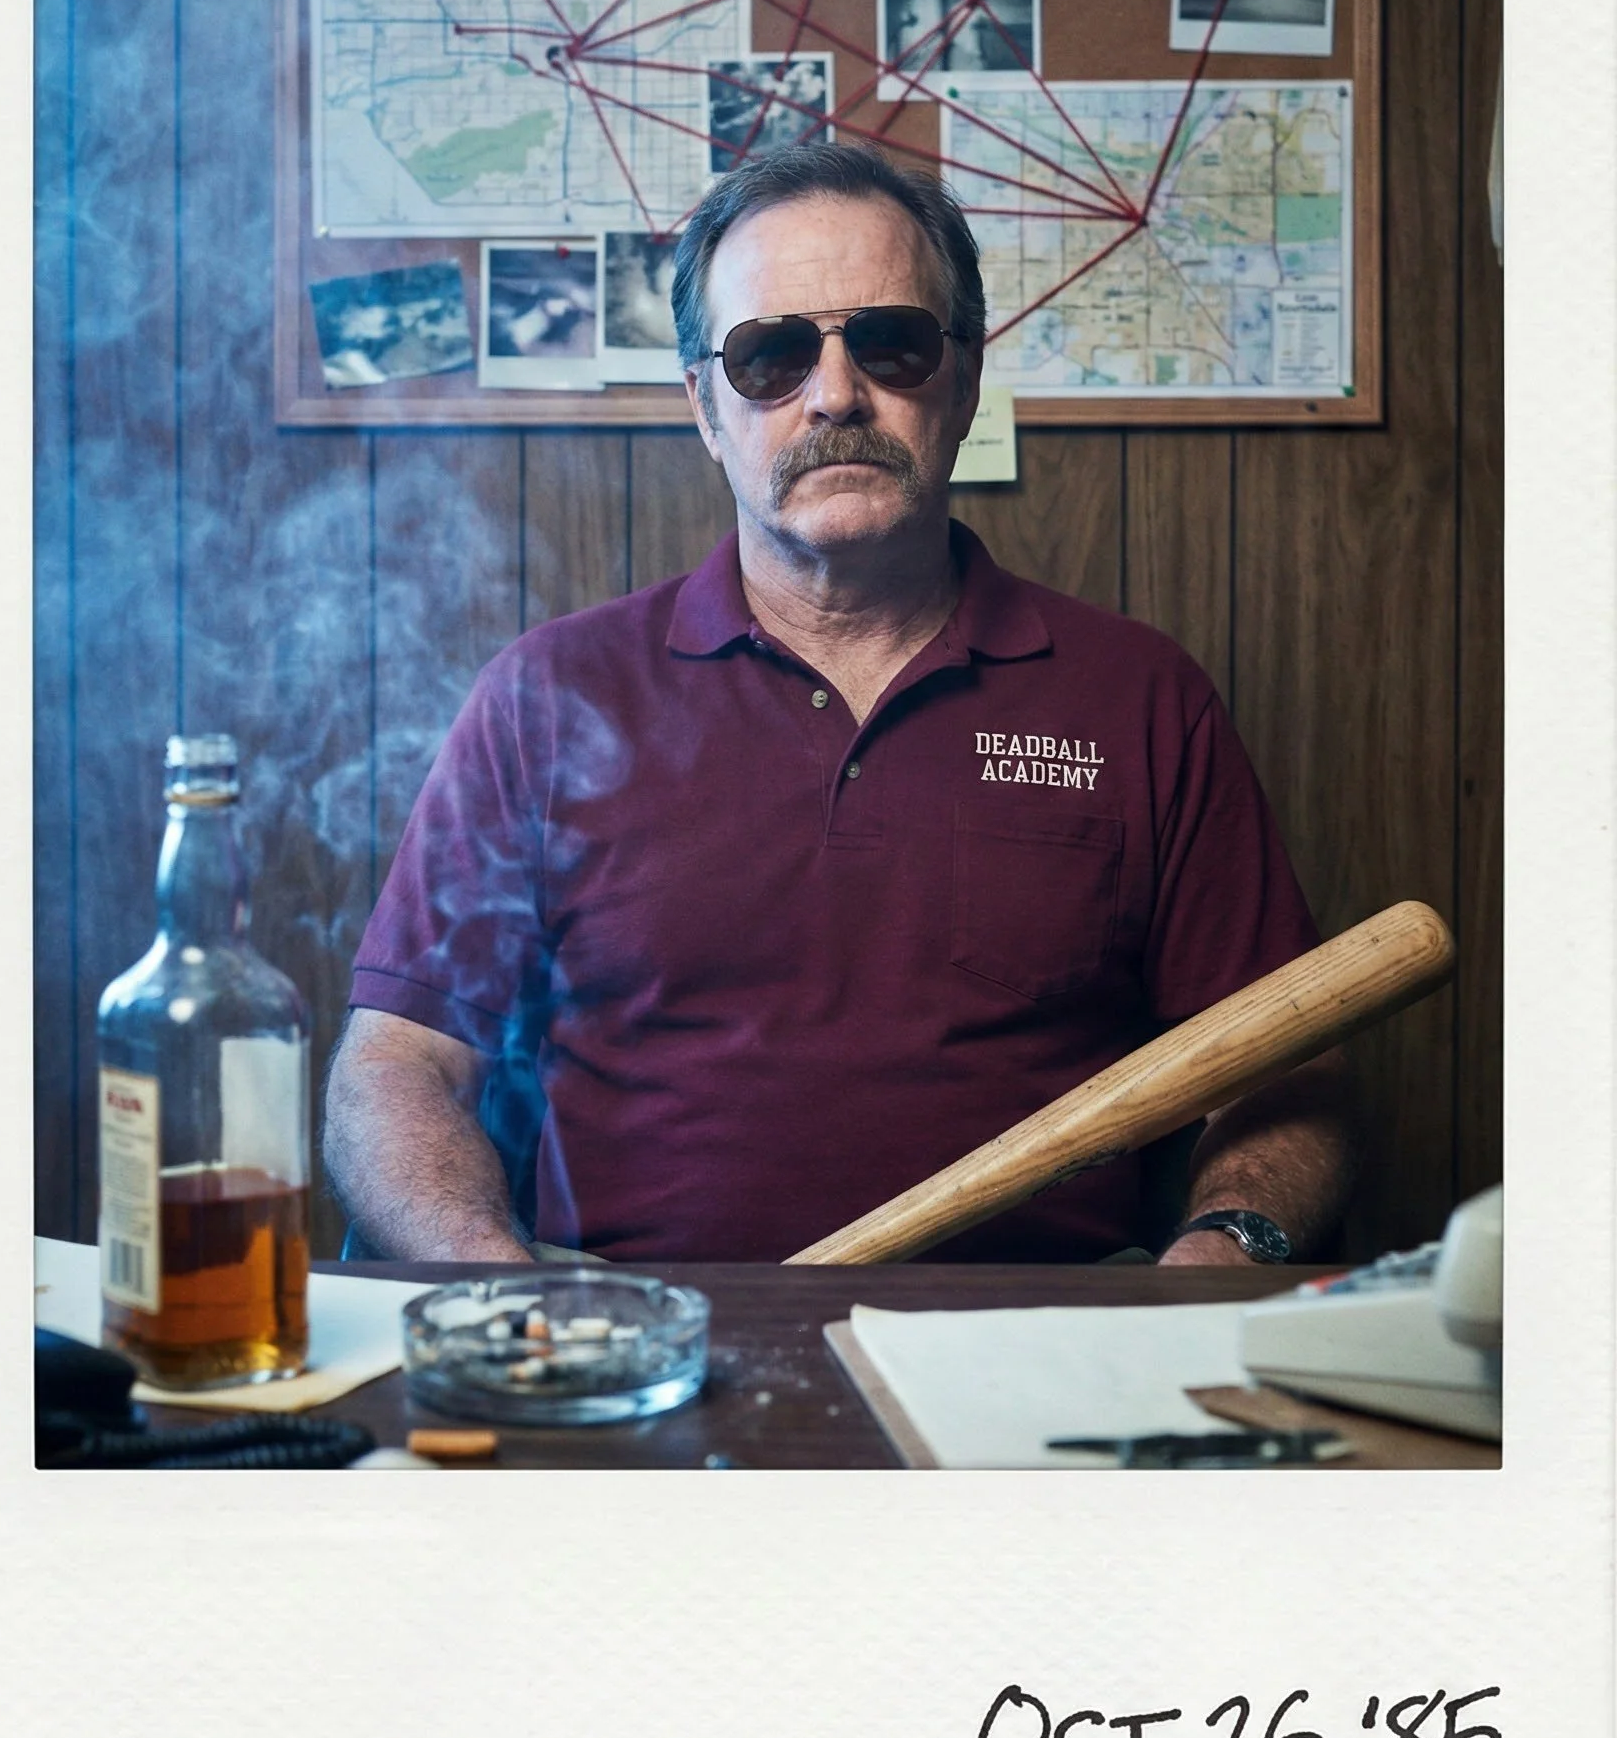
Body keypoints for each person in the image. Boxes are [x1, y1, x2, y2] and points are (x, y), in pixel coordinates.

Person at [325, 143, 1355, 1267]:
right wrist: (498, 1287)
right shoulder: (548, 696)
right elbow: (400, 1064)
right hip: (637, 1357)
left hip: (1036, 1357)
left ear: (962, 380)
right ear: (706, 408)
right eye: (769, 355)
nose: (834, 394)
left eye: (890, 342)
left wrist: (1221, 1251)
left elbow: (1286, 1062)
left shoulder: (1140, 698)